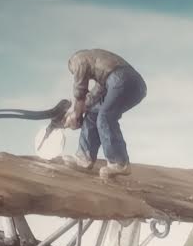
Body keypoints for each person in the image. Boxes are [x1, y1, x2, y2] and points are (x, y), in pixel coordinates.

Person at [63, 49, 147, 180]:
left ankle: (119, 162)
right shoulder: (102, 69)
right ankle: (84, 158)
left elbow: (80, 92)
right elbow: (93, 96)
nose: (76, 74)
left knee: (105, 115)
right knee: (93, 113)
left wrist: (75, 116)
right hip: (134, 85)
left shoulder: (78, 60)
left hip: (123, 78)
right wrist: (78, 111)